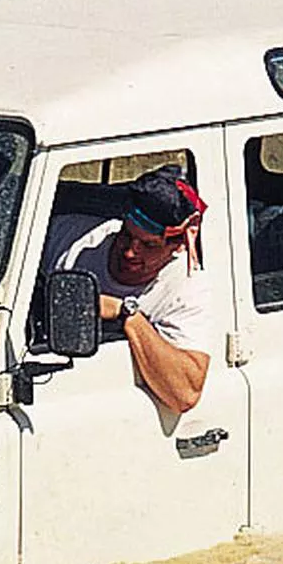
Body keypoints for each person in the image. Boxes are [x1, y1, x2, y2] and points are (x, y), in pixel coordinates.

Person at [42, 165, 215, 414]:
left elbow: (185, 393)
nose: (130, 252)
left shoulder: (186, 288)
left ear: (177, 247)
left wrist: (127, 315)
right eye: (126, 235)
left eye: (148, 245)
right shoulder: (71, 238)